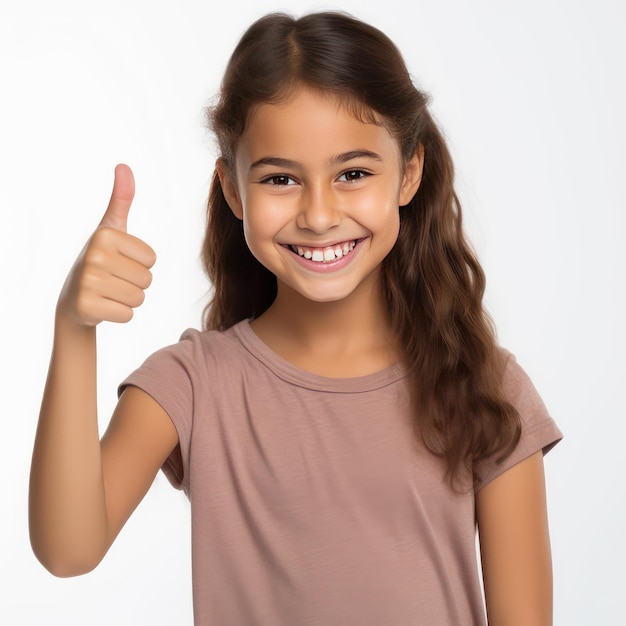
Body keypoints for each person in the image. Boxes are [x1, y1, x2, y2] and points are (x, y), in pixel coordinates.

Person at [29, 11, 562, 626]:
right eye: (281, 178)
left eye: (353, 174)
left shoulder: (488, 390)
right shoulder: (194, 386)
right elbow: (68, 551)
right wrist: (73, 329)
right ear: (232, 191)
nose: (317, 213)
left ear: (409, 173)